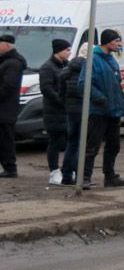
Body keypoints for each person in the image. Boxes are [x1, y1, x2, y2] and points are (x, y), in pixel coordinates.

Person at [79, 29, 124, 189]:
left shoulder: (111, 59)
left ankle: (110, 176)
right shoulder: (93, 60)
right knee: (92, 145)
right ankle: (85, 177)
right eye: (116, 41)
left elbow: (116, 82)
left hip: (114, 110)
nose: (119, 44)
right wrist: (100, 98)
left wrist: (121, 99)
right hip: (99, 111)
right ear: (108, 42)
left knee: (114, 145)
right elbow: (83, 84)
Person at [38, 38, 72, 184]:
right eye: (67, 50)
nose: (69, 53)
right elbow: (46, 88)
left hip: (66, 111)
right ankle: (54, 171)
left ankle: (68, 171)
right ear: (59, 51)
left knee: (69, 140)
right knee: (54, 141)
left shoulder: (67, 65)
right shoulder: (47, 67)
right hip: (53, 111)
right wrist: (60, 100)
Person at [58, 38, 92, 186]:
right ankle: (80, 175)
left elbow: (61, 92)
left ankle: (66, 175)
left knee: (72, 143)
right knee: (82, 143)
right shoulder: (88, 69)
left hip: (71, 110)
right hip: (84, 110)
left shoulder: (68, 69)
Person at [0, 33, 27, 179]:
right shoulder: (6, 61)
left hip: (6, 109)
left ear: (6, 45)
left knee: (6, 139)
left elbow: (8, 86)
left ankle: (10, 167)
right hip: (5, 108)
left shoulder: (13, 63)